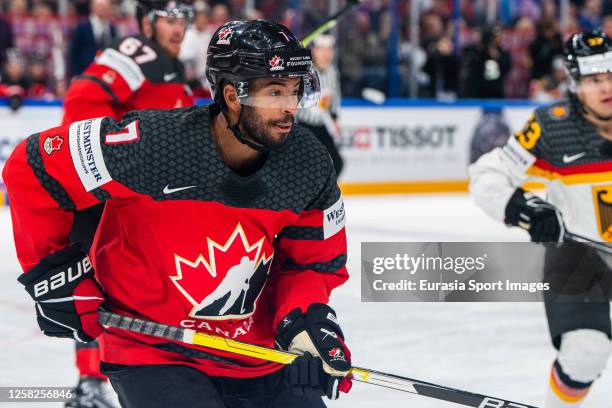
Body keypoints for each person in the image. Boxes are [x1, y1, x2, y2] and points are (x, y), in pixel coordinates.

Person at [4, 19, 351, 408]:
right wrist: (55, 276)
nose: (290, 107)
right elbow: (30, 167)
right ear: (232, 96)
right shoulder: (154, 145)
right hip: (155, 352)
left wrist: (304, 320)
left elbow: (313, 264)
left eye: (295, 90)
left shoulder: (307, 162)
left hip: (257, 357)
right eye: (274, 92)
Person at [61, 1, 195, 406]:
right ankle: (89, 384)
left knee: (142, 297)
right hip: (109, 203)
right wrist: (116, 167)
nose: (178, 28)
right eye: (169, 19)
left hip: (146, 206)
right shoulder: (138, 52)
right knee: (100, 292)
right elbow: (81, 103)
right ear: (146, 22)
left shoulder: (173, 71)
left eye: (183, 20)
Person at [469, 30, 612, 407]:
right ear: (575, 81)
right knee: (585, 353)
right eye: (595, 78)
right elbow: (488, 175)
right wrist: (524, 209)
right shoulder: (552, 125)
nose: (606, 86)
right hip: (579, 255)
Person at [296, 35, 343, 177]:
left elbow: (335, 98)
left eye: (329, 49)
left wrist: (334, 118)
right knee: (307, 165)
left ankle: (324, 194)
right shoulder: (304, 71)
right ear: (313, 51)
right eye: (321, 49)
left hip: (322, 127)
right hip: (304, 127)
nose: (326, 54)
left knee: (337, 163)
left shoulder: (332, 72)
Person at [68, 0, 118, 76]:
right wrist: (76, 73)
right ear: (92, 7)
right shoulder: (82, 26)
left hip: (105, 72)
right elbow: (74, 52)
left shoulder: (112, 28)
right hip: (86, 71)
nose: (103, 9)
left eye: (105, 6)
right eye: (100, 6)